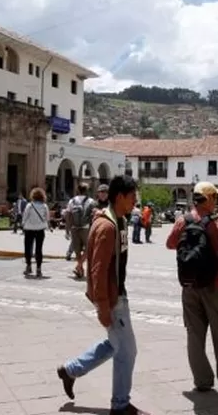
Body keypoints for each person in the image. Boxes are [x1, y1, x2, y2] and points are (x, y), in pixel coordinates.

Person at [56, 176, 149, 415]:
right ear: (120, 197)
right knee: (127, 351)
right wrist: (103, 307)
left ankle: (70, 370)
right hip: (113, 297)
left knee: (114, 344)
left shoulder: (118, 220)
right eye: (132, 197)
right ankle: (120, 405)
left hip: (118, 293)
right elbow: (97, 269)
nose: (135, 201)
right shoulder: (107, 226)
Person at [166, 182, 218, 392]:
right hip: (216, 286)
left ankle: (202, 380)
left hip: (190, 286)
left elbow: (170, 243)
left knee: (194, 334)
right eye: (215, 198)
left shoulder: (183, 220)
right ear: (210, 199)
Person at [66, 183, 96, 279]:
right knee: (89, 249)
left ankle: (79, 268)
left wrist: (68, 229)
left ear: (78, 190)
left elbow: (68, 215)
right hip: (86, 228)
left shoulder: (72, 201)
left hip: (74, 228)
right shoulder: (91, 201)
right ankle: (79, 267)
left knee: (77, 251)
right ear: (87, 190)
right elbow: (93, 216)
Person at [22, 187, 50, 278]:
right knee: (39, 249)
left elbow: (25, 217)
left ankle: (28, 266)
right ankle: (38, 269)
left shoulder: (29, 205)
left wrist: (23, 225)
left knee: (28, 248)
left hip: (29, 229)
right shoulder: (45, 206)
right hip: (40, 230)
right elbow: (47, 218)